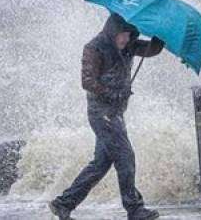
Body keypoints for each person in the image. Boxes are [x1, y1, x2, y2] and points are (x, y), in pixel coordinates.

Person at [49, 13, 165, 220]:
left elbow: (151, 50)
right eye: (122, 35)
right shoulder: (94, 48)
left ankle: (63, 203)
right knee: (126, 156)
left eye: (129, 35)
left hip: (116, 113)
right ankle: (134, 208)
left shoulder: (129, 45)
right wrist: (113, 93)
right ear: (112, 31)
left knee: (101, 164)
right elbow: (87, 81)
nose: (125, 40)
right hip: (101, 113)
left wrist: (160, 34)